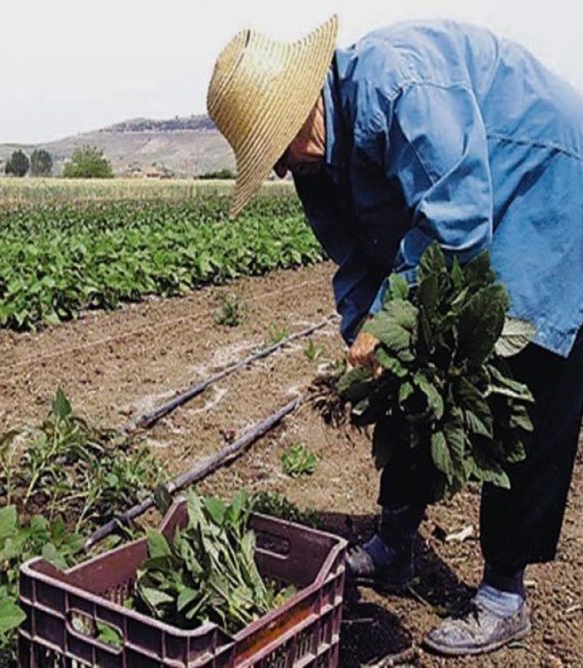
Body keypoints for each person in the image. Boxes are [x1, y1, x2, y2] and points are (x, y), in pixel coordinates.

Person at [206, 16, 583, 656]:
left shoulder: (399, 85)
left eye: (281, 147)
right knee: (402, 365)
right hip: (474, 206)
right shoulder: (312, 163)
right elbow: (355, 260)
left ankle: (503, 592)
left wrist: (388, 317)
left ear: (304, 107)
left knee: (526, 378)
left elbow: (460, 222)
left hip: (547, 186)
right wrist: (367, 328)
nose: (283, 166)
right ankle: (395, 543)